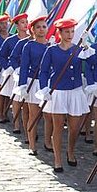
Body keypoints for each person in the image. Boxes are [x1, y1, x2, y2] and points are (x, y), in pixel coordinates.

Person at [37, 18, 91, 172]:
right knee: (58, 127)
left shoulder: (78, 49)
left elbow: (92, 62)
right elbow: (44, 71)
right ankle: (57, 159)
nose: (70, 34)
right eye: (66, 31)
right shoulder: (52, 50)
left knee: (74, 128)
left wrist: (86, 45)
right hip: (58, 91)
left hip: (75, 91)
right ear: (59, 33)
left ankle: (71, 151)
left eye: (72, 31)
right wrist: (44, 89)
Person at [16, 16, 53, 155]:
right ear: (33, 30)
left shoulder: (51, 46)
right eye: (38, 27)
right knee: (33, 115)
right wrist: (22, 85)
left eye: (44, 27)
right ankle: (31, 144)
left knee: (49, 116)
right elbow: (24, 67)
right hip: (34, 82)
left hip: (48, 83)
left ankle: (48, 142)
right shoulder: (29, 46)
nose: (41, 30)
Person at [0, 13, 29, 133]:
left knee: (25, 100)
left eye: (26, 22)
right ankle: (14, 123)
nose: (25, 24)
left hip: (26, 73)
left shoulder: (31, 39)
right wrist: (9, 67)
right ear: (16, 25)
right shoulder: (11, 40)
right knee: (13, 97)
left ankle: (26, 125)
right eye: (22, 22)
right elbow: (1, 56)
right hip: (14, 72)